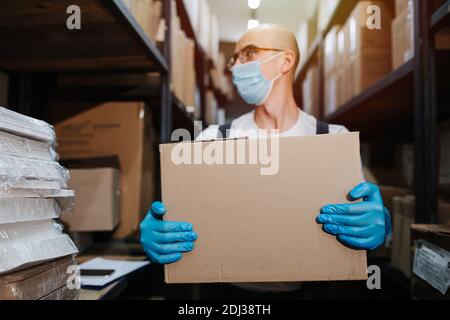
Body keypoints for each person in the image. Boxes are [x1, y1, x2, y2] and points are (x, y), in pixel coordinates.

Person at [140, 24, 392, 295]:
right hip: (230, 297)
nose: (237, 65)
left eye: (248, 53)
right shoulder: (214, 139)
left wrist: (379, 226)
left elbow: (367, 225)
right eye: (235, 58)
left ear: (285, 61)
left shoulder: (331, 139)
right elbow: (181, 214)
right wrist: (159, 231)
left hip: (312, 292)